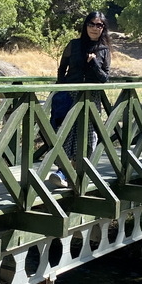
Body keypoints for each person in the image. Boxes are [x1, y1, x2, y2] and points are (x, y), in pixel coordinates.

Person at [48, 11, 112, 189]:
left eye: (98, 25)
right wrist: (62, 89)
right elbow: (62, 69)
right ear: (86, 26)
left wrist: (93, 63)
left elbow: (104, 78)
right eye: (91, 24)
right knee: (67, 133)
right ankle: (63, 171)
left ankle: (75, 173)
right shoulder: (74, 45)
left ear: (103, 28)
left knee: (89, 136)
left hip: (91, 99)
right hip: (71, 95)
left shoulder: (104, 50)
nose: (94, 28)